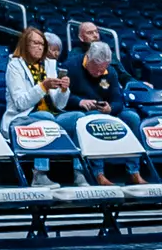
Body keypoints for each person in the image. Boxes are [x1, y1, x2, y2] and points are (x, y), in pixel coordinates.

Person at [59, 42, 146, 187]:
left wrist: (110, 108)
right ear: (88, 58)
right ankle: (98, 173)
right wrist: (80, 101)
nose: (99, 73)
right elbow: (59, 98)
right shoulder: (70, 67)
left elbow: (117, 99)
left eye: (102, 69)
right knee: (93, 119)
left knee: (132, 117)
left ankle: (134, 172)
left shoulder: (110, 71)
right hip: (78, 111)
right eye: (96, 69)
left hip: (102, 110)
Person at [0, 27, 69, 188]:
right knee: (46, 119)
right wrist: (43, 87)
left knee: (78, 119)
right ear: (25, 44)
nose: (40, 47)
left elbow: (59, 104)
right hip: (22, 117)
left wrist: (64, 90)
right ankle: (40, 174)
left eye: (42, 44)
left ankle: (81, 173)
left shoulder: (49, 65)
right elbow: (20, 103)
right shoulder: (14, 66)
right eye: (35, 43)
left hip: (51, 114)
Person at [67, 22, 134, 88]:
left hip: (111, 90)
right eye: (90, 33)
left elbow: (124, 76)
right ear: (81, 37)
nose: (95, 35)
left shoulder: (108, 53)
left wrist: (138, 84)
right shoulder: (75, 55)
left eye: (96, 32)